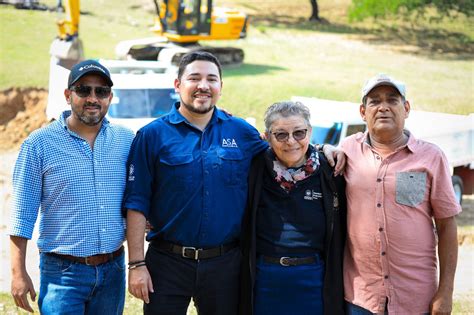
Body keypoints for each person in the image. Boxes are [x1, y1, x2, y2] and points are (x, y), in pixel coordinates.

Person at [123, 52, 344, 315]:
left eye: (211, 79)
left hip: (225, 265)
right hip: (168, 262)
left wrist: (323, 149)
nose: (203, 85)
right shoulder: (151, 136)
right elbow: (137, 202)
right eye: (194, 77)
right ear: (177, 84)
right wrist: (136, 264)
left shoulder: (241, 132)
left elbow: (285, 148)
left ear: (220, 87)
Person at [9, 59, 134, 314]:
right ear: (68, 95)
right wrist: (18, 273)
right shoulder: (38, 145)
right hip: (62, 275)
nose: (93, 98)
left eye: (101, 91)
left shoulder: (126, 140)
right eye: (83, 90)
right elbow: (22, 215)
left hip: (113, 270)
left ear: (110, 97)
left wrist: (217, 118)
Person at [341, 74, 461, 314]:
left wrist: (445, 292)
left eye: (392, 100)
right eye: (374, 101)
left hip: (416, 298)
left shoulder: (431, 157)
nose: (383, 107)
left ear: (406, 108)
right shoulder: (347, 150)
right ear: (363, 112)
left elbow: (447, 227)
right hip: (361, 298)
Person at [239, 101, 346, 315]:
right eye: (281, 135)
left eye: (299, 133)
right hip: (265, 278)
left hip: (314, 278)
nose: (291, 142)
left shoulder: (330, 170)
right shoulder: (254, 168)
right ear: (267, 137)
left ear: (310, 132)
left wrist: (326, 148)